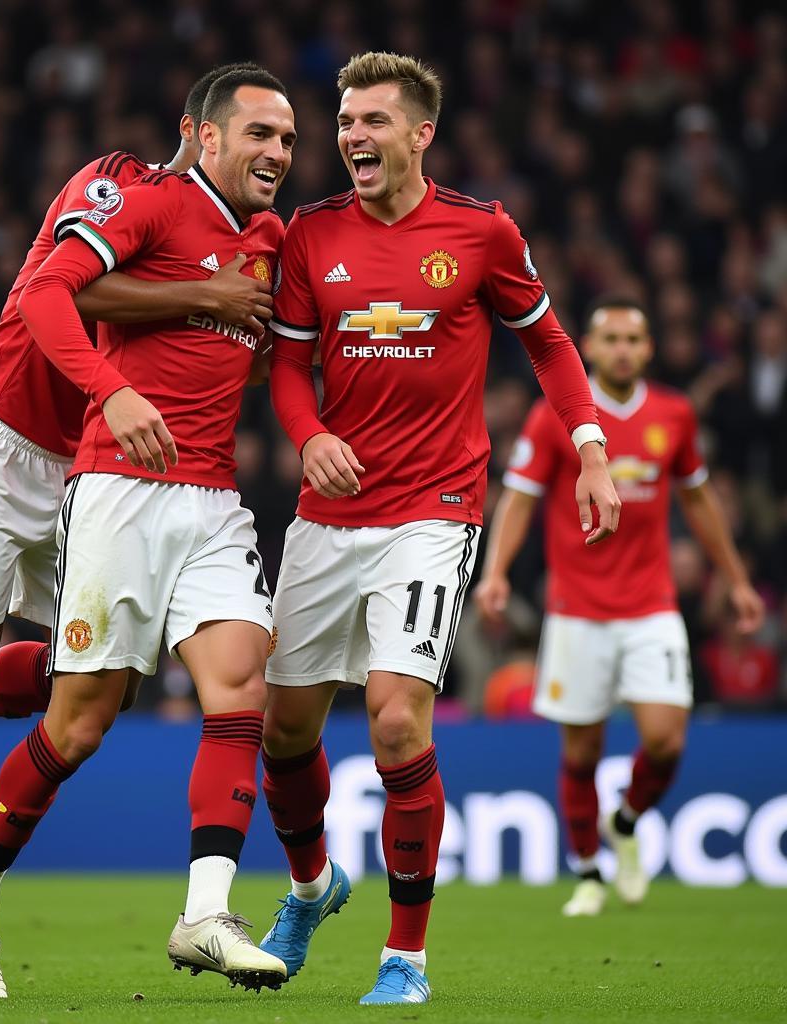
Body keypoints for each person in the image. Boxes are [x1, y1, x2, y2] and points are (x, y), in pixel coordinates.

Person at [0, 62, 273, 969]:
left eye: (286, 139)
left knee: (90, 689)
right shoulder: (116, 184)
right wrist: (134, 371)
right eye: (258, 133)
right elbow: (56, 292)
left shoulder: (244, 234)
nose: (277, 152)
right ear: (199, 131)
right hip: (0, 440)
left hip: (93, 464)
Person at [256, 52, 620, 1006]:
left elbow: (547, 338)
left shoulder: (481, 231)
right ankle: (308, 889)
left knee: (394, 717)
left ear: (420, 134)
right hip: (328, 514)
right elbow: (289, 368)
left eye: (374, 121)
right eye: (345, 122)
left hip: (434, 509)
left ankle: (405, 958)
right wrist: (310, 434)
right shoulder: (310, 235)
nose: (352, 138)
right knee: (282, 732)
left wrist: (588, 444)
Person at [474, 296, 764, 917]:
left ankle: (626, 820)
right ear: (590, 348)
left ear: (650, 348)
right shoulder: (555, 414)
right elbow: (519, 499)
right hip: (577, 609)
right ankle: (587, 874)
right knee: (581, 752)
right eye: (611, 339)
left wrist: (736, 579)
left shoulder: (675, 414)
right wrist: (494, 571)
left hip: (650, 604)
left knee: (664, 741)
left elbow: (701, 502)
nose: (623, 349)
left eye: (634, 338)